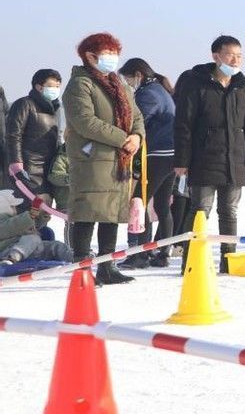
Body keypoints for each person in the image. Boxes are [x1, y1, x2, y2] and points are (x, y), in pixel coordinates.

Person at [63, 32, 146, 285]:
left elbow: (138, 116)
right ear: (90, 56)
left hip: (119, 160)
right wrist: (123, 138)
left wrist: (137, 137)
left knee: (111, 213)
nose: (113, 59)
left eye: (115, 53)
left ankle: (107, 266)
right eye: (108, 53)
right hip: (92, 160)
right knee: (87, 214)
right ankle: (82, 269)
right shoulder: (80, 84)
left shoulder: (119, 85)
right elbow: (85, 122)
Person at [174, 35, 245, 274]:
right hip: (204, 158)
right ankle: (190, 262)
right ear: (216, 56)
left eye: (239, 55)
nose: (235, 60)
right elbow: (183, 124)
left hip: (234, 158)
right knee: (201, 209)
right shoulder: (196, 83)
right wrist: (182, 160)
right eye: (230, 54)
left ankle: (228, 260)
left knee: (229, 211)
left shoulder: (241, 85)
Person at [116, 59, 177, 269]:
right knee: (161, 204)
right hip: (171, 155)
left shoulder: (148, 94)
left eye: (128, 78)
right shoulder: (160, 89)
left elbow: (137, 123)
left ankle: (140, 253)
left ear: (138, 74)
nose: (128, 83)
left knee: (139, 201)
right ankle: (162, 252)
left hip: (157, 154)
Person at [5, 69, 64, 212]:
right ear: (39, 86)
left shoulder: (55, 109)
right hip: (28, 169)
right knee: (29, 211)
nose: (55, 89)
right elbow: (13, 135)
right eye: (52, 85)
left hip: (48, 170)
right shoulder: (25, 104)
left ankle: (40, 235)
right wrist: (16, 163)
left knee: (44, 213)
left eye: (58, 86)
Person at [0, 192, 71, 266]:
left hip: (30, 249)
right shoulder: (6, 222)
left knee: (56, 246)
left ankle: (73, 258)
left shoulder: (13, 220)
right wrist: (32, 213)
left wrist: (43, 215)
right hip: (6, 251)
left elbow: (33, 226)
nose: (15, 208)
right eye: (12, 206)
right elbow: (13, 226)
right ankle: (12, 258)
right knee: (33, 238)